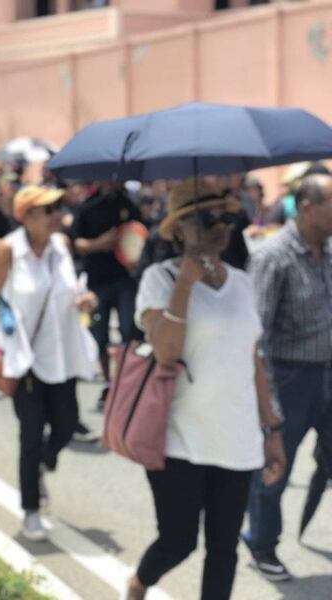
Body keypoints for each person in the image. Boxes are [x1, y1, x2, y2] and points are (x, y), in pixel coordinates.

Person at [126, 179, 286, 600]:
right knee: (178, 540)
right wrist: (184, 286)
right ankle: (140, 582)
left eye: (225, 218)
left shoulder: (243, 283)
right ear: (179, 229)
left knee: (223, 548)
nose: (219, 227)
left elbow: (253, 361)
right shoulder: (159, 279)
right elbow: (165, 352)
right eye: (206, 219)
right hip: (178, 437)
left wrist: (272, 430)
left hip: (236, 436)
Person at [0, 186, 98, 542]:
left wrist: (85, 299)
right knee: (30, 434)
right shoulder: (9, 252)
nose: (56, 215)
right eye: (47, 210)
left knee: (67, 425)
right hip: (24, 359)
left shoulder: (61, 247)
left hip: (62, 356)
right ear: (25, 216)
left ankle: (44, 461)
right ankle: (31, 509)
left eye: (57, 208)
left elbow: (71, 291)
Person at [242, 173, 332, 582]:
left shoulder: (327, 252)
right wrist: (269, 406)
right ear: (307, 207)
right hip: (287, 378)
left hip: (326, 375)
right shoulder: (272, 257)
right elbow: (255, 337)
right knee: (275, 466)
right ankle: (262, 543)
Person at [72, 184, 142, 403]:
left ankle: (128, 380)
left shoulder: (129, 204)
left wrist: (132, 254)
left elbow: (140, 234)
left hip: (124, 280)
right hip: (97, 280)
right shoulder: (87, 207)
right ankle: (107, 381)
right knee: (99, 335)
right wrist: (99, 244)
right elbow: (77, 242)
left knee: (129, 331)